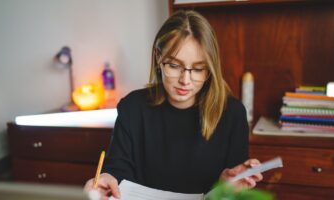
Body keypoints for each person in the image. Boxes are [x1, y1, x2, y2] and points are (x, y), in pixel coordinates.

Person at [84, 10, 262, 199]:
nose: (185, 80)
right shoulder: (132, 108)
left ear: (210, 68)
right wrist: (105, 180)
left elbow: (232, 189)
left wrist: (225, 185)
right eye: (174, 66)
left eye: (198, 69)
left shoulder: (232, 114)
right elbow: (117, 171)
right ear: (158, 57)